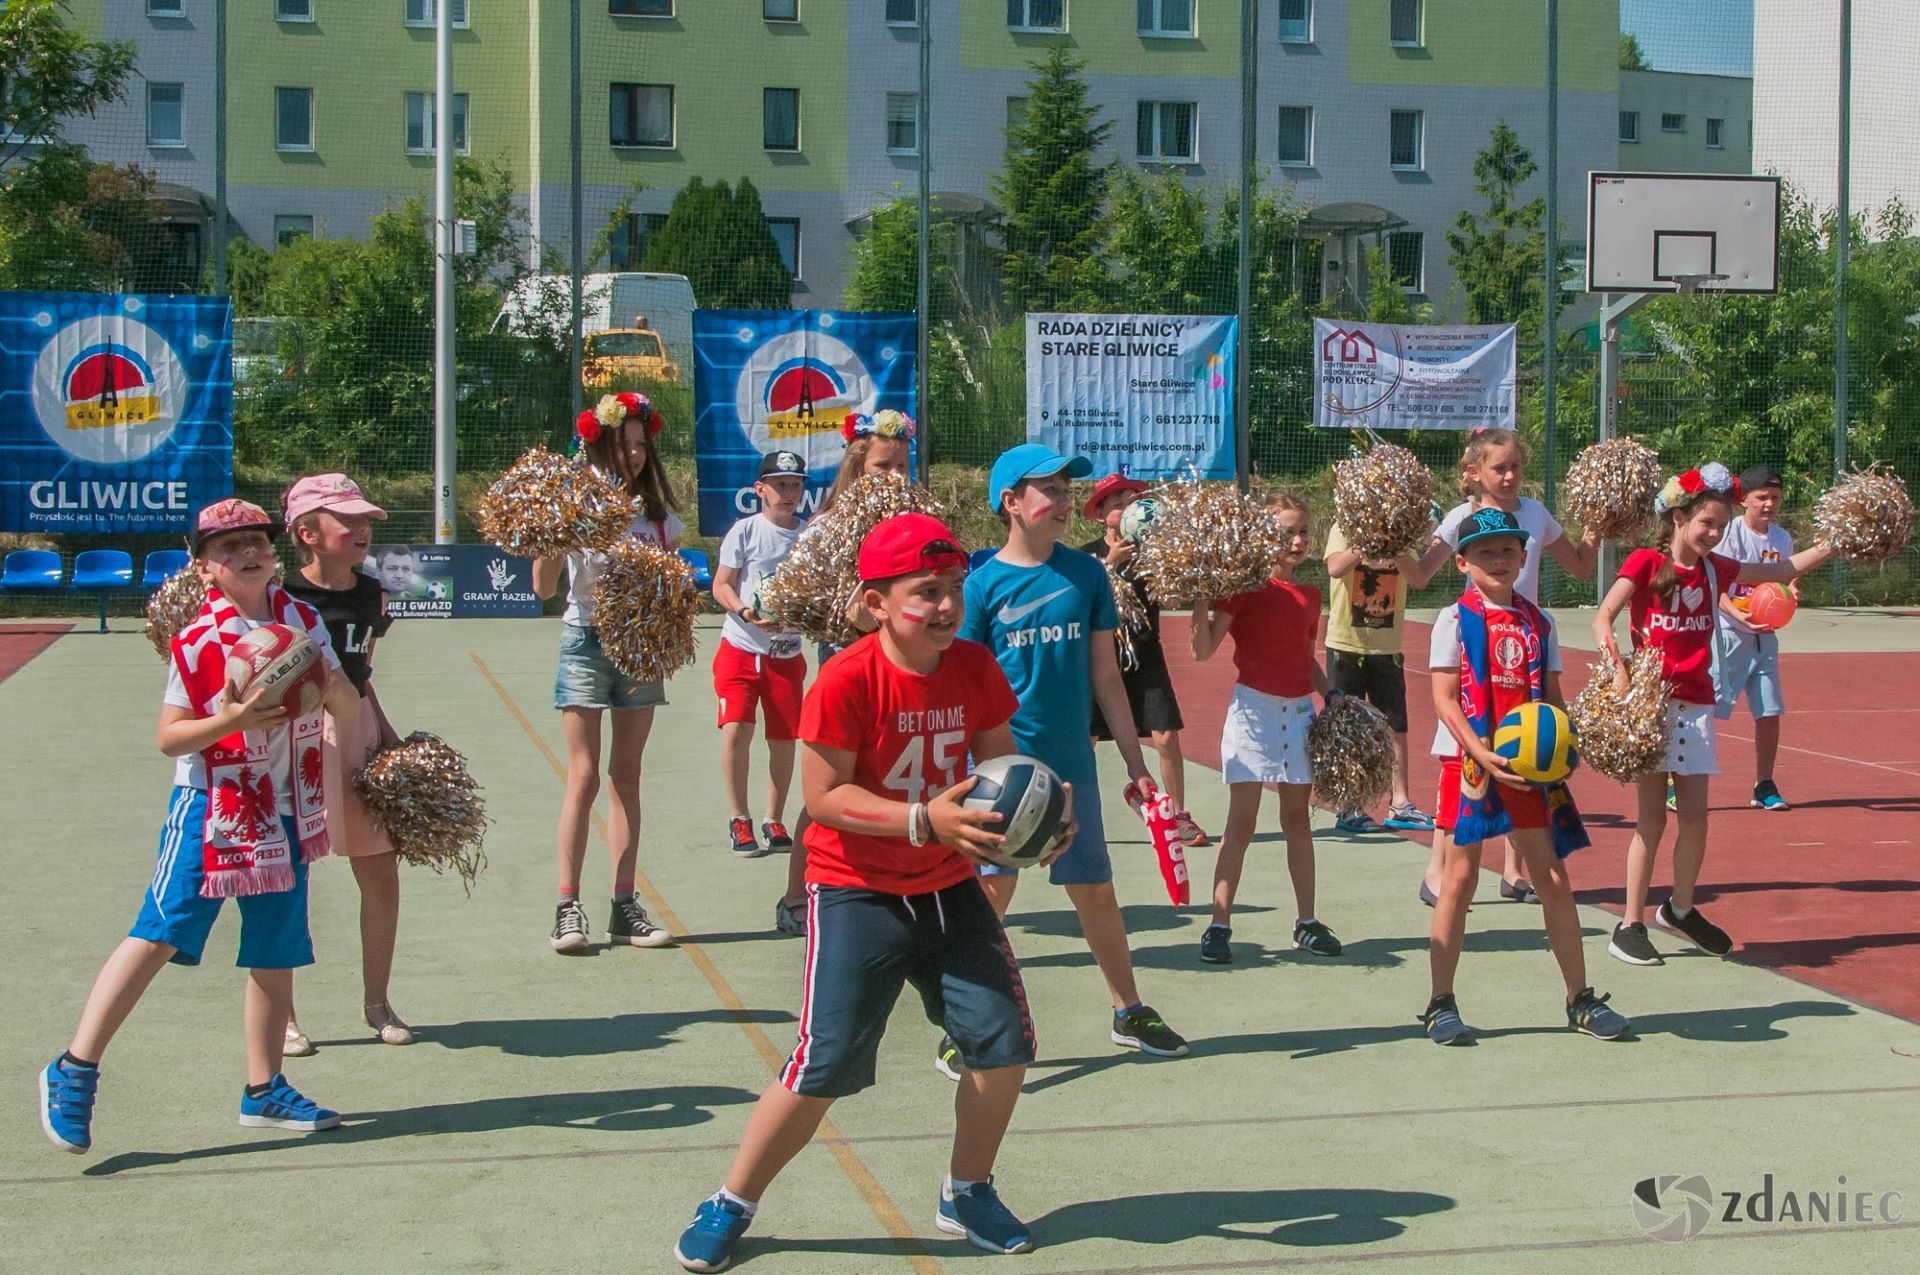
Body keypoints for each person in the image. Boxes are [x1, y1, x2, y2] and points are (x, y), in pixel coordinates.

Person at [672, 513, 1061, 1271]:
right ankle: (731, 1199)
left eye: (954, 588)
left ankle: (967, 1187)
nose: (946, 605)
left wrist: (1034, 822)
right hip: (856, 889)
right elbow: (821, 797)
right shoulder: (850, 676)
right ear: (877, 601)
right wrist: (925, 817)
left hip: (948, 885)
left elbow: (1001, 773)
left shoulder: (975, 667)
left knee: (1003, 1041)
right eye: (926, 592)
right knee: (824, 1062)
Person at [39, 499, 362, 1154]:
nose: (248, 551)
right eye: (227, 546)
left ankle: (264, 1087)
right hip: (210, 804)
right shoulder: (198, 639)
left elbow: (347, 706)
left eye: (256, 541)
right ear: (204, 568)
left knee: (276, 950)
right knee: (159, 932)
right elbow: (170, 737)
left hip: (286, 806)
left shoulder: (302, 623)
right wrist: (235, 721)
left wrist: (321, 680)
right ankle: (73, 1066)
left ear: (274, 554)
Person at [959, 444, 1189, 1075]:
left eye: (1066, 491)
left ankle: (1128, 1008)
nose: (1063, 502)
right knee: (991, 894)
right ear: (1011, 502)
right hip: (1001, 770)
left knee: (1095, 891)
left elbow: (1107, 679)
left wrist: (1136, 765)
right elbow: (963, 685)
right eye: (1048, 491)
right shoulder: (981, 586)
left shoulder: (1087, 576)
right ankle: (967, 1024)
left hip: (1071, 766)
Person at [1594, 464, 1833, 967]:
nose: (1714, 533)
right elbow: (1603, 616)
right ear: (1679, 518)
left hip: (1696, 704)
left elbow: (1782, 572)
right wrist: (1617, 668)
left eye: (1721, 526)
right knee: (1652, 820)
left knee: (1697, 821)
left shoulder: (1717, 567)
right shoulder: (1644, 562)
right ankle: (1629, 923)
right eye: (1706, 523)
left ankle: (1680, 909)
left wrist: (1836, 542)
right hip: (1650, 707)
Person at [1419, 507, 1631, 1044]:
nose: (1499, 560)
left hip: (1530, 770)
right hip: (1472, 763)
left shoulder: (1540, 621)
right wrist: (1480, 752)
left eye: (1509, 551)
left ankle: (1578, 998)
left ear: (1523, 557)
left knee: (1554, 879)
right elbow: (1444, 699)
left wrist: (1568, 742)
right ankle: (1440, 1003)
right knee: (1460, 880)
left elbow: (1553, 701)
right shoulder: (1452, 619)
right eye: (1487, 552)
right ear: (1462, 561)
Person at [1412, 428, 1600, 906]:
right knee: (1461, 762)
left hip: (1527, 647)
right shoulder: (1461, 517)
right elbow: (1419, 575)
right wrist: (1388, 537)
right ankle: (1438, 871)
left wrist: (1600, 525)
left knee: (1527, 752)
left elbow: (1580, 565)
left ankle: (1517, 872)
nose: (1511, 475)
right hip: (1478, 647)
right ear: (1475, 473)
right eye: (1500, 467)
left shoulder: (1535, 515)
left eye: (1516, 466)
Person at [532, 393, 679, 954]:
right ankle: (567, 907)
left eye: (643, 445)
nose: (636, 454)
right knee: (585, 775)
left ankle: (623, 904)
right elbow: (543, 589)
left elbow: (670, 588)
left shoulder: (658, 517)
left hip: (641, 649)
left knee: (628, 776)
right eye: (625, 443)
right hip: (585, 641)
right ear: (600, 443)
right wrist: (557, 535)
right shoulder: (575, 504)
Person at [281, 473, 413, 1051]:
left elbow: (362, 672)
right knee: (287, 879)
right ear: (307, 533)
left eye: (366, 521)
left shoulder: (372, 593)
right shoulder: (279, 596)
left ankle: (377, 1001)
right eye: (348, 521)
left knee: (380, 869)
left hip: (354, 729)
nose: (362, 530)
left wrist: (386, 734)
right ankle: (281, 1015)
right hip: (291, 741)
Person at [772, 410, 916, 938]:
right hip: (847, 670)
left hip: (907, 672)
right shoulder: (828, 528)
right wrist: (850, 621)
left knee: (897, 783)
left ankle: (899, 891)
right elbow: (798, 603)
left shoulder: (917, 524)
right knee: (832, 787)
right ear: (858, 468)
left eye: (902, 466)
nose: (895, 477)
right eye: (883, 467)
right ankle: (796, 896)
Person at [1188, 491, 1342, 966]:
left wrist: (1332, 696)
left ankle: (1307, 922)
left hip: (1298, 715)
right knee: (1242, 825)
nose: (1296, 541)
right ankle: (1218, 924)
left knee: (1298, 820)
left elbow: (1306, 659)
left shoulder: (1310, 595)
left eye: (1302, 532)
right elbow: (1203, 649)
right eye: (1285, 532)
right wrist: (1199, 596)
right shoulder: (1244, 588)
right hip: (1252, 713)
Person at [1080, 472, 1208, 848]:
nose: (1125, 507)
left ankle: (1179, 815)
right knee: (1085, 740)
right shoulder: (1086, 556)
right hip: (1099, 660)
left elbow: (1171, 599)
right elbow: (1080, 601)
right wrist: (1110, 565)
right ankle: (1076, 813)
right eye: (1115, 503)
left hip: (1145, 656)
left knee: (1166, 735)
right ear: (1101, 515)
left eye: (1130, 501)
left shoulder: (1154, 554)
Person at [710, 451, 809, 858]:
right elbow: (722, 585)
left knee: (784, 739)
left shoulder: (809, 535)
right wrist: (747, 613)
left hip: (787, 656)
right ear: (760, 489)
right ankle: (739, 818)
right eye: (780, 484)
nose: (788, 492)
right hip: (741, 648)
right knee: (736, 729)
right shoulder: (745, 531)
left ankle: (773, 818)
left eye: (795, 485)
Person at [1322, 520, 1431, 835]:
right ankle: (1350, 804)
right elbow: (1335, 568)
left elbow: (1418, 578)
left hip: (1387, 647)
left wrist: (1396, 546)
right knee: (1348, 729)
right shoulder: (1344, 528)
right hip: (1346, 644)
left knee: (1395, 725)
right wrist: (1364, 542)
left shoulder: (1400, 535)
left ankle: (1401, 803)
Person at [1716, 464, 1795, 810]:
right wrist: (1738, 613)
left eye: (1775, 498)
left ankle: (1764, 784)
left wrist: (1789, 595)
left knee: (1769, 711)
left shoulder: (1782, 538)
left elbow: (1786, 582)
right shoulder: (1727, 535)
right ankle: (1677, 779)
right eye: (1762, 497)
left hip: (1765, 638)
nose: (1769, 504)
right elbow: (1715, 586)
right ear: (1744, 499)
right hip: (1728, 635)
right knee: (1707, 709)